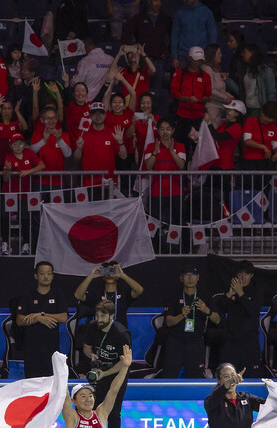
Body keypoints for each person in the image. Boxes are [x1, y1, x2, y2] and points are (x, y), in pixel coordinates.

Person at [82, 301, 131, 428]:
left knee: (114, 411)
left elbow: (124, 361)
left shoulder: (121, 334)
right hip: (99, 372)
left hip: (117, 373)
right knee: (92, 408)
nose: (99, 319)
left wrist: (106, 373)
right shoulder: (92, 327)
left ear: (111, 316)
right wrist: (92, 356)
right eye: (97, 315)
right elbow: (86, 348)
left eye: (103, 316)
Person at [161, 266, 220, 379]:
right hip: (175, 343)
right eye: (186, 275)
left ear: (197, 278)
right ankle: (167, 397)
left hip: (196, 343)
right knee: (169, 375)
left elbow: (217, 320)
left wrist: (207, 310)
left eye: (193, 275)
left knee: (196, 376)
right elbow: (168, 322)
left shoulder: (205, 297)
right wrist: (182, 315)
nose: (190, 278)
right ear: (181, 278)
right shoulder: (174, 297)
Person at [16, 262, 68, 378]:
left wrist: (42, 314)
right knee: (32, 381)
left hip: (52, 348)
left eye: (49, 274)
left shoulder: (58, 295)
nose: (46, 277)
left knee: (51, 381)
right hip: (31, 348)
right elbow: (19, 320)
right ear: (36, 276)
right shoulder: (27, 296)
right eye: (42, 273)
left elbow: (63, 317)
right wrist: (38, 319)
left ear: (52, 276)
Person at [142, 118, 187, 249]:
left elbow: (181, 165)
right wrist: (155, 152)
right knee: (154, 222)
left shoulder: (180, 146)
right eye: (162, 129)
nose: (165, 132)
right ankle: (153, 250)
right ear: (158, 130)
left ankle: (183, 250)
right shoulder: (151, 147)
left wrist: (172, 151)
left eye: (168, 129)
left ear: (172, 131)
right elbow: (148, 166)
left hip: (176, 191)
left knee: (179, 222)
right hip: (157, 191)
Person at [214, 261, 263, 377]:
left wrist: (240, 293)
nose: (242, 277)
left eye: (246, 274)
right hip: (231, 341)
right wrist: (229, 295)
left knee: (251, 376)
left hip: (249, 342)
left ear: (251, 275)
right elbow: (219, 310)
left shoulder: (257, 291)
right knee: (227, 377)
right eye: (240, 274)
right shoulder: (231, 289)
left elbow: (253, 311)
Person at [0, 132, 44, 254]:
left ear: (24, 144)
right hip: (9, 194)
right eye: (15, 144)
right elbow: (5, 178)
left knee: (25, 219)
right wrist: (8, 171)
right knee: (5, 218)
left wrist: (29, 171)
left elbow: (41, 165)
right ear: (10, 145)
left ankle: (26, 244)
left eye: (20, 144)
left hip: (25, 194)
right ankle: (5, 244)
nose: (18, 147)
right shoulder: (8, 157)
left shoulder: (29, 153)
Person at [123, 0, 171, 103]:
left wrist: (167, 52)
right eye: (155, 1)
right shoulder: (139, 17)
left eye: (159, 1)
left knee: (156, 93)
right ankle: (140, 117)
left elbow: (174, 37)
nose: (158, 3)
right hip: (142, 61)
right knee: (141, 91)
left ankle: (153, 117)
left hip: (159, 61)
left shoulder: (166, 18)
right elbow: (127, 33)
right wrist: (132, 49)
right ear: (149, 1)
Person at [74, 101, 126, 192]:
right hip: (88, 182)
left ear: (105, 115)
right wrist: (79, 148)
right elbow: (76, 158)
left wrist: (120, 142)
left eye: (101, 113)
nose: (98, 116)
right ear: (90, 116)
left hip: (108, 181)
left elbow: (124, 156)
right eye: (95, 113)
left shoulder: (112, 132)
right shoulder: (83, 133)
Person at [74, 261, 144, 329]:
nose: (109, 274)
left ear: (117, 276)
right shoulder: (96, 294)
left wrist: (122, 275)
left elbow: (139, 290)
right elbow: (78, 295)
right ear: (103, 276)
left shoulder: (124, 293)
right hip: (100, 336)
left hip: (120, 335)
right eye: (107, 271)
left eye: (112, 271)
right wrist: (90, 276)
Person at [169, 46, 211, 150]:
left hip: (199, 116)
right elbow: (173, 92)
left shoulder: (206, 76)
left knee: (199, 148)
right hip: (182, 116)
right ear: (189, 59)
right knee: (182, 147)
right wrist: (185, 99)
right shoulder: (179, 73)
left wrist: (205, 99)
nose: (198, 62)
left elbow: (208, 93)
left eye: (201, 60)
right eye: (196, 59)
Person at [63, 35, 114, 101]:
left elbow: (77, 83)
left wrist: (70, 79)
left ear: (86, 44)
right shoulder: (111, 59)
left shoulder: (85, 61)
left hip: (89, 101)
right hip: (107, 100)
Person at [170, 0, 216, 71]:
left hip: (202, 56)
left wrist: (210, 56)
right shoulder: (180, 13)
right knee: (183, 81)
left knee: (202, 81)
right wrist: (174, 57)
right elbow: (175, 36)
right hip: (183, 56)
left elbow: (212, 35)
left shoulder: (206, 12)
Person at [233, 44, 276, 119]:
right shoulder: (246, 69)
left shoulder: (265, 70)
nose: (242, 54)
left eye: (245, 52)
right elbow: (241, 90)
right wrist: (227, 80)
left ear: (252, 53)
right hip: (247, 108)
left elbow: (271, 92)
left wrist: (268, 111)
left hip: (259, 108)